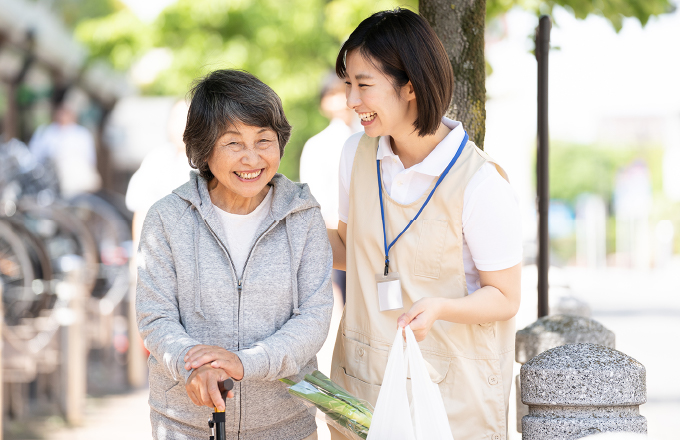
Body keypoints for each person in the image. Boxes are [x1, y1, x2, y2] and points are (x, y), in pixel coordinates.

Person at [326, 9, 522, 440]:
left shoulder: (481, 183)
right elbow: (347, 245)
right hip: (363, 385)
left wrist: (441, 308)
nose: (351, 100)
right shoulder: (355, 155)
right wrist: (272, 221)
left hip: (448, 398)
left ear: (410, 86)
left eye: (363, 85)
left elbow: (505, 297)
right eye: (348, 85)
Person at [136, 69, 334, 440]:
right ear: (204, 149)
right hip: (186, 425)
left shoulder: (303, 216)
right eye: (233, 143)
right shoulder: (167, 218)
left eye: (264, 140)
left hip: (285, 424)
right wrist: (193, 364)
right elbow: (155, 316)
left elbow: (315, 317)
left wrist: (244, 363)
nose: (252, 158)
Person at [300, 74, 362, 301]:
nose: (341, 100)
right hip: (335, 235)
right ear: (323, 103)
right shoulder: (317, 145)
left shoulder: (372, 138)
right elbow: (315, 197)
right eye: (333, 94)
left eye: (344, 91)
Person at [29, 100, 101, 197]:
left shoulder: (82, 134)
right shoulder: (47, 133)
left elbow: (90, 159)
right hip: (54, 184)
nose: (63, 116)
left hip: (80, 183)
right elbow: (36, 157)